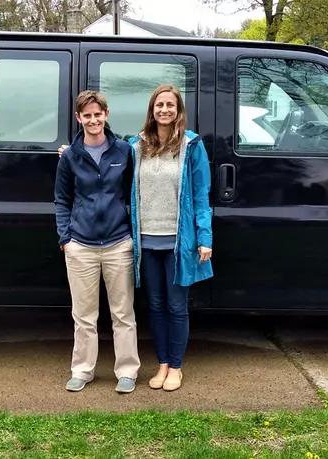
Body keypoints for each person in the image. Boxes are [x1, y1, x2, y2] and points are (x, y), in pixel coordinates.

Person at [54, 90, 140, 394]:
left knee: (123, 313)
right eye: (86, 115)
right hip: (81, 246)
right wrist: (66, 237)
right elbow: (62, 199)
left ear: (106, 114)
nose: (93, 120)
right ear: (79, 118)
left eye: (97, 114)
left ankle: (127, 371)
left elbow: (132, 194)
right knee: (84, 315)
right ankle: (82, 370)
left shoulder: (123, 151)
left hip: (119, 243)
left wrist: (130, 232)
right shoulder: (70, 156)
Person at [128, 84, 212, 392]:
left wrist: (205, 237)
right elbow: (102, 154)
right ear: (152, 110)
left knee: (177, 307)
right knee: (155, 304)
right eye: (159, 105)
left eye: (170, 105)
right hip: (146, 242)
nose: (164, 110)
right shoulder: (136, 146)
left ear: (178, 111)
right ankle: (162, 363)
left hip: (179, 242)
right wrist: (72, 152)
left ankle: (176, 367)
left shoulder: (192, 146)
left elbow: (201, 195)